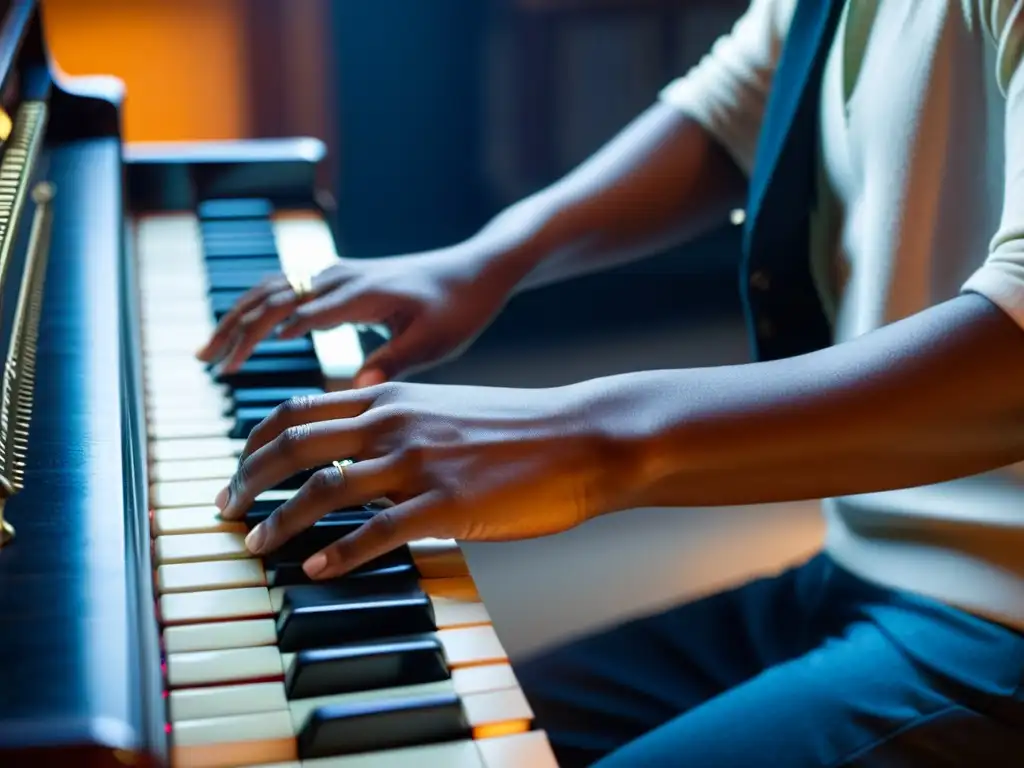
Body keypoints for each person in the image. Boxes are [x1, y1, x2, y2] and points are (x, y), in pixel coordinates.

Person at [198, 0, 1024, 764]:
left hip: (997, 616)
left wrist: (590, 439)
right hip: (861, 563)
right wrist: (484, 260)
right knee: (430, 749)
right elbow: (734, 109)